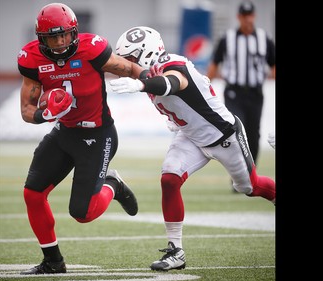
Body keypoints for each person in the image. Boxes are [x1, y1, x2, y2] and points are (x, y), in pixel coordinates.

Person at [110, 26, 275, 271]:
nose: (128, 65)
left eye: (131, 59)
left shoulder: (171, 64)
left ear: (146, 54)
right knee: (169, 178)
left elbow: (173, 84)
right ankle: (175, 251)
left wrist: (143, 86)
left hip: (223, 135)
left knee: (250, 187)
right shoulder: (150, 72)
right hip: (191, 136)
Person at [17, 3, 146, 275]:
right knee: (32, 193)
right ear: (42, 39)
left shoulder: (92, 49)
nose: (61, 42)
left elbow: (128, 68)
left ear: (74, 32)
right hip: (65, 132)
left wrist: (148, 82)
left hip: (98, 135)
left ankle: (113, 184)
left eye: (65, 34)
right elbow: (27, 111)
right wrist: (46, 114)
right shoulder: (32, 59)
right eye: (54, 37)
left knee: (82, 213)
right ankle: (53, 261)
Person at [206, 0, 276, 166]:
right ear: (239, 17)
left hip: (255, 93)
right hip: (233, 93)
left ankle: (251, 173)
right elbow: (214, 64)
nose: (248, 20)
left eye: (250, 15)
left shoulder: (264, 38)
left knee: (254, 133)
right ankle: (238, 174)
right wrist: (206, 89)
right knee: (237, 131)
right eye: (244, 16)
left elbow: (273, 64)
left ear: (254, 16)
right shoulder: (227, 39)